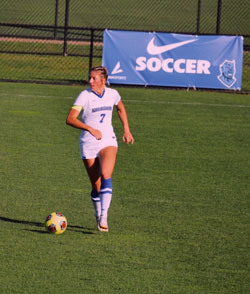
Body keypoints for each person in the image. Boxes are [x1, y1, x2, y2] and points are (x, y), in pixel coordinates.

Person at [66, 66, 134, 232]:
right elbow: (70, 119)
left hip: (108, 140)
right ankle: (98, 215)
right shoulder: (85, 96)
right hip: (88, 143)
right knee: (96, 187)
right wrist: (90, 129)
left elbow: (120, 108)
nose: (90, 81)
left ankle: (104, 216)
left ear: (103, 80)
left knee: (106, 174)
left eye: (94, 78)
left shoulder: (113, 94)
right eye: (89, 78)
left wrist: (126, 129)